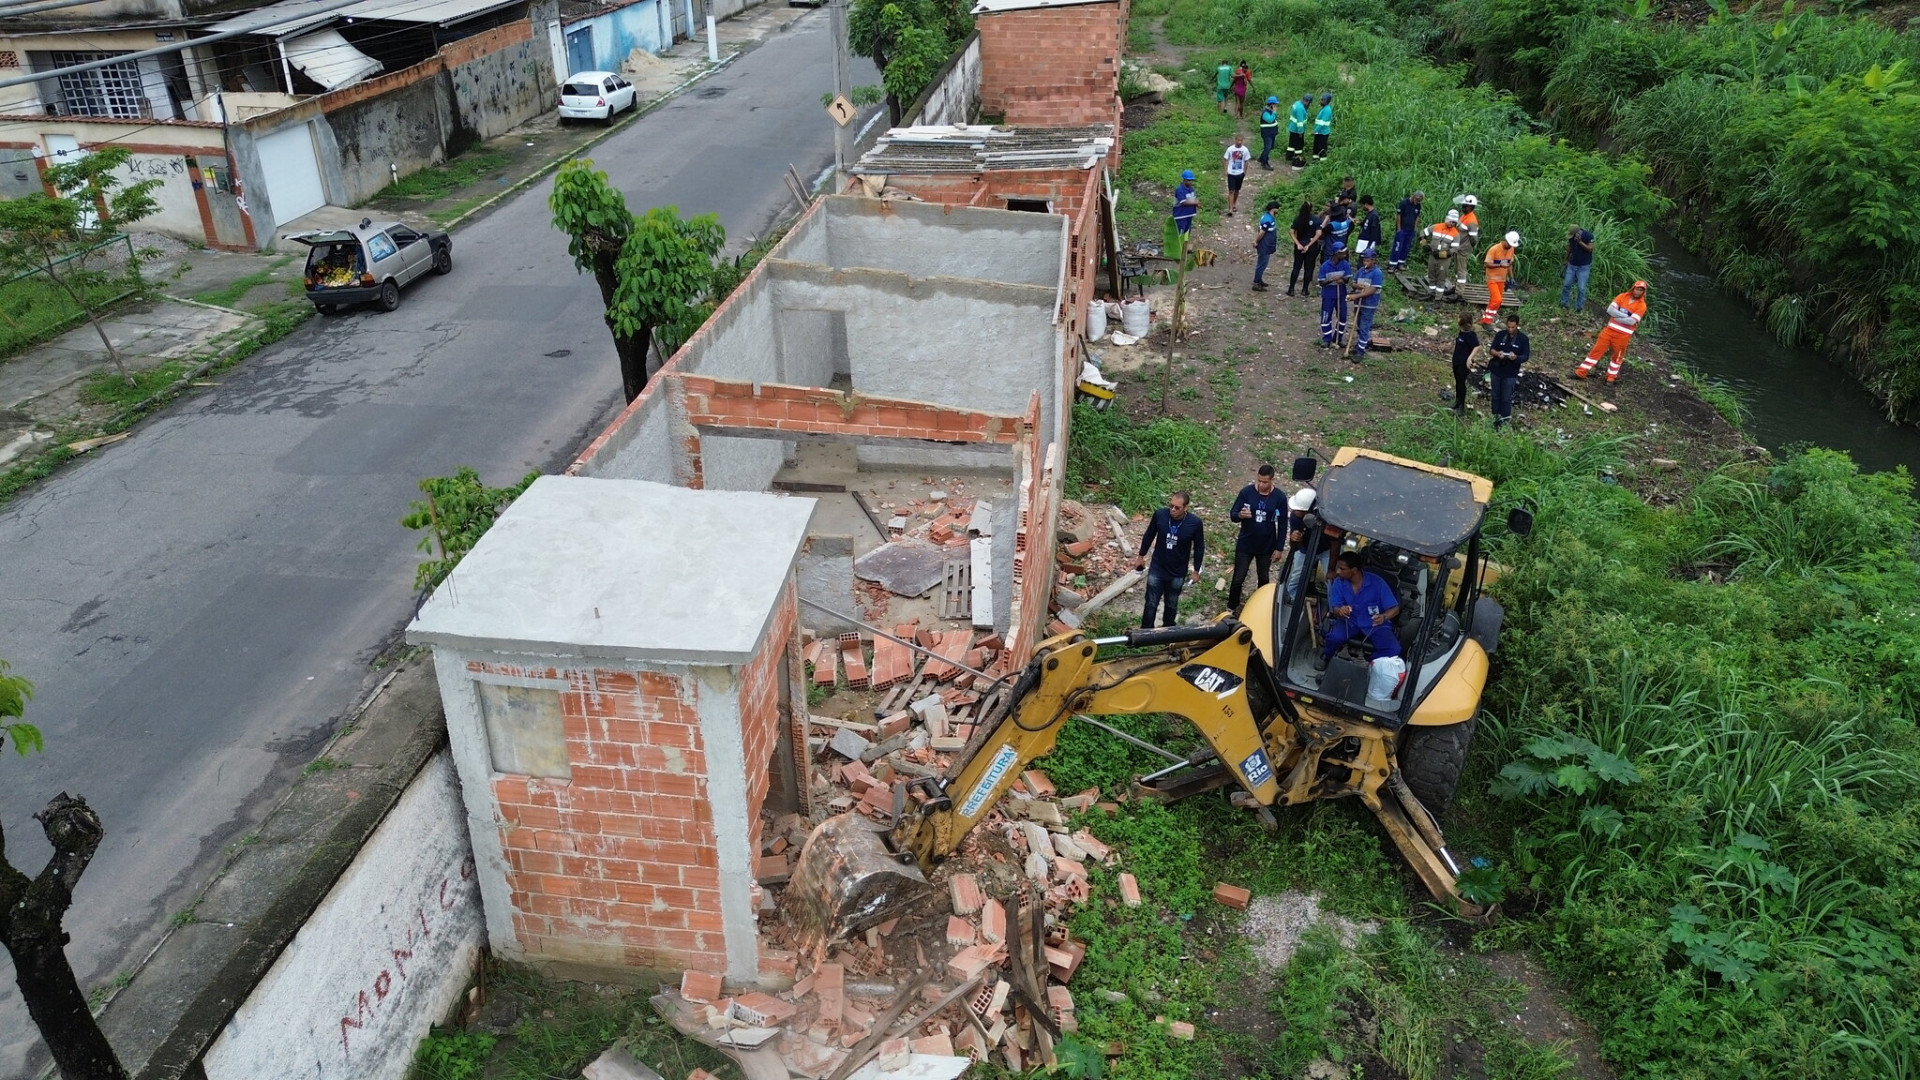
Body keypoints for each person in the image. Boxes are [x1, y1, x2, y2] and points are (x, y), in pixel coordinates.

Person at [1316, 550, 1401, 670]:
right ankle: (1327, 656)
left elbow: (1395, 608)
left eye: (1342, 569)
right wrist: (1340, 611)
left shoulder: (1377, 583)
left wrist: (1384, 617)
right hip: (1349, 621)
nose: (1338, 572)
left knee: (1394, 649)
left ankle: (1367, 663)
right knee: (1334, 637)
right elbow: (1335, 607)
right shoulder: (1339, 582)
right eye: (1337, 568)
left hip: (1375, 624)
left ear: (1354, 570)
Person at [1137, 491, 1205, 628]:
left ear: (1185, 508)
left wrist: (1196, 570)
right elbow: (1149, 535)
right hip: (1158, 567)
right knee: (1151, 602)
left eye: (1177, 507)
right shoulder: (1160, 515)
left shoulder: (1195, 523)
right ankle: (1145, 632)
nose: (1173, 510)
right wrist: (1141, 556)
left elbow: (1199, 547)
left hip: (1177, 571)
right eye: (1171, 506)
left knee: (1171, 603)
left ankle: (1168, 630)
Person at [1226, 465, 1285, 613]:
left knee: (1263, 577)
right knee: (1238, 577)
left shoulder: (1279, 497)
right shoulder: (1246, 493)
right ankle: (1232, 606)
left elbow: (1283, 524)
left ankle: (1262, 607)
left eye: (1265, 482)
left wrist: (1279, 548)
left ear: (1272, 480)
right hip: (1246, 543)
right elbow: (1233, 514)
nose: (1261, 485)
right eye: (1259, 481)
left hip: (1266, 545)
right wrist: (1240, 515)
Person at [1575, 280, 1648, 383]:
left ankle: (1611, 378)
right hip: (1609, 331)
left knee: (1617, 356)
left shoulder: (1642, 305)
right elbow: (1610, 310)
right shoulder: (1622, 296)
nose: (1638, 292)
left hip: (1623, 335)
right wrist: (1625, 316)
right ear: (1633, 288)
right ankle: (1581, 372)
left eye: (1641, 290)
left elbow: (1631, 321)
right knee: (1596, 351)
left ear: (1643, 292)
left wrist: (1617, 316)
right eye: (1637, 289)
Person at [1488, 312, 1529, 428]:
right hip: (1496, 370)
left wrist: (1516, 357)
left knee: (1506, 398)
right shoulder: (1500, 335)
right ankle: (1495, 418)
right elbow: (1491, 350)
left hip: (1510, 373)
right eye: (1508, 327)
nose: (1510, 330)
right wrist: (1497, 353)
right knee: (1495, 396)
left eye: (1513, 327)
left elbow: (1526, 356)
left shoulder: (1523, 339)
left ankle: (1505, 421)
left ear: (1517, 326)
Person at [1283, 485, 1318, 602]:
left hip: (1324, 549)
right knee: (1296, 576)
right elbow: (1295, 547)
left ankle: (1333, 606)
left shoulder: (1324, 518)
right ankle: (1291, 599)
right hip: (1305, 548)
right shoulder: (1295, 517)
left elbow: (1335, 541)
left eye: (1297, 509)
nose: (1293, 511)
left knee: (1330, 578)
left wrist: (1332, 568)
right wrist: (1294, 539)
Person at [1349, 250, 1385, 359]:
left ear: (1373, 261)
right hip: (1358, 304)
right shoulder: (1361, 271)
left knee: (1365, 325)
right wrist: (1357, 286)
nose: (1365, 262)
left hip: (1369, 304)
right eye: (1364, 260)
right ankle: (1361, 342)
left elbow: (1372, 290)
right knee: (1359, 324)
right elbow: (1353, 283)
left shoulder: (1377, 273)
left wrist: (1356, 296)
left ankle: (1361, 350)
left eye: (1368, 260)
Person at [1480, 230, 1519, 325]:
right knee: (1497, 299)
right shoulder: (1494, 249)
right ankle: (1487, 321)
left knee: (1495, 300)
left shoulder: (1511, 249)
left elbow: (1509, 264)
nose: (1510, 246)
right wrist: (1500, 265)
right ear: (1506, 240)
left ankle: (1487, 318)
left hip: (1502, 279)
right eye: (1509, 244)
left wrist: (1511, 277)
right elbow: (1487, 263)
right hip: (1492, 278)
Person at [1317, 242, 1350, 349]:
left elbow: (1347, 279)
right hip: (1328, 295)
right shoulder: (1325, 266)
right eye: (1342, 253)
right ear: (1336, 253)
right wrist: (1331, 279)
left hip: (1341, 294)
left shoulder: (1345, 264)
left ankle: (1338, 337)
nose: (1345, 255)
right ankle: (1326, 338)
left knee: (1342, 316)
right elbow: (1321, 283)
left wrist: (1342, 280)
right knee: (1326, 317)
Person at [1423, 210, 1463, 295]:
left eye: (1453, 222)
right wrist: (1424, 244)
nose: (1451, 224)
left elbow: (1454, 249)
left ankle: (1438, 298)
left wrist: (1441, 254)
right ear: (1447, 219)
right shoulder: (1436, 227)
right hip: (1432, 256)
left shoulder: (1455, 234)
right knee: (1431, 275)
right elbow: (1423, 233)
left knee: (1441, 278)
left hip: (1444, 260)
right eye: (1450, 221)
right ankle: (1431, 294)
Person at [1287, 199, 1320, 297]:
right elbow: (1318, 234)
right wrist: (1309, 245)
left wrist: (1297, 243)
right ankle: (1305, 290)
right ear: (1311, 209)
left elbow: (1291, 231)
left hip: (1300, 244)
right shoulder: (1316, 220)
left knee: (1296, 267)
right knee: (1308, 268)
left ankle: (1291, 289)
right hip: (1311, 246)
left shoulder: (1298, 219)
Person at [1449, 312, 1480, 416]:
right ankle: (1457, 401)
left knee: (1462, 383)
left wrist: (1469, 358)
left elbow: (1477, 347)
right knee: (1457, 382)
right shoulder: (1461, 332)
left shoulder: (1470, 335)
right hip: (1456, 360)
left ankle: (1461, 406)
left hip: (1463, 363)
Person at [1561, 225, 1594, 310]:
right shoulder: (1572, 237)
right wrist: (1566, 259)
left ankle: (1579, 308)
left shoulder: (1588, 236)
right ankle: (1564, 303)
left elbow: (1590, 248)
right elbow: (1570, 247)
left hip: (1583, 266)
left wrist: (1580, 242)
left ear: (1578, 233)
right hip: (1572, 264)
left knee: (1581, 288)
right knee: (1567, 284)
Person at [1390, 191, 1423, 271]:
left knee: (1406, 247)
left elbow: (1417, 217)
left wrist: (1415, 228)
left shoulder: (1418, 206)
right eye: (1417, 200)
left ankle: (1401, 263)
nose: (1417, 202)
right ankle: (1392, 264)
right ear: (1413, 197)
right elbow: (1399, 216)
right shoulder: (1404, 203)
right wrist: (1398, 228)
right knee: (1398, 246)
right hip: (1402, 228)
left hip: (1410, 229)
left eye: (1419, 201)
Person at [1252, 200, 1279, 291]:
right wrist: (1256, 241)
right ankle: (1256, 283)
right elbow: (1262, 232)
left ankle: (1259, 280)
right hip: (1265, 245)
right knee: (1262, 264)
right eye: (1277, 208)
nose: (1278, 210)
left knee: (1263, 264)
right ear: (1273, 209)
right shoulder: (1268, 220)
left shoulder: (1267, 216)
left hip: (1266, 245)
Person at [1223, 134, 1251, 217]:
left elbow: (1246, 161)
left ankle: (1234, 204)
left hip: (1240, 173)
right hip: (1231, 173)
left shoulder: (1245, 150)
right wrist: (1225, 170)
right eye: (1238, 140)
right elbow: (1224, 159)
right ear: (1235, 140)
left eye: (1241, 140)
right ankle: (1230, 208)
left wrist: (1244, 172)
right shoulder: (1230, 149)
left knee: (1237, 190)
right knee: (1231, 191)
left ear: (1243, 141)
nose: (1239, 142)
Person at [1455, 195, 1480, 284]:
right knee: (1457, 270)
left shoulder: (1472, 220)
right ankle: (1456, 288)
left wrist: (1468, 247)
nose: (1463, 208)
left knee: (1461, 271)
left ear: (1470, 207)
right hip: (1458, 247)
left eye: (1465, 206)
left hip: (1463, 249)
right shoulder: (1463, 216)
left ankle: (1459, 293)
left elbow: (1473, 239)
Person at [1171, 170, 1199, 236]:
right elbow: (1184, 202)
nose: (1191, 182)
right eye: (1189, 180)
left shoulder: (1191, 189)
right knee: (1180, 233)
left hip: (1189, 214)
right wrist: (1195, 202)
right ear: (1184, 180)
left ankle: (1185, 246)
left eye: (1191, 180)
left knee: (1187, 233)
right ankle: (1180, 246)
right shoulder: (1180, 190)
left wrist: (1196, 203)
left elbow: (1193, 199)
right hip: (1180, 215)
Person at [1287, 93, 1312, 166]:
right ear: (1307, 101)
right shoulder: (1300, 108)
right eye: (1309, 103)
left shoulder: (1297, 103)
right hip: (1297, 129)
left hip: (1292, 127)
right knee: (1299, 144)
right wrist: (1300, 132)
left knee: (1291, 144)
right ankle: (1297, 158)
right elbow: (1300, 122)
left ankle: (1289, 156)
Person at [1354, 195, 1381, 260]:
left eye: (1362, 205)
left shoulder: (1374, 216)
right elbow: (1367, 225)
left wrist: (1369, 245)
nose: (1362, 207)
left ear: (1366, 204)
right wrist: (1360, 223)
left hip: (1368, 242)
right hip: (1364, 241)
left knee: (1364, 261)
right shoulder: (1369, 214)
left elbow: (1374, 231)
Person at [1258, 96, 1281, 170]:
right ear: (1271, 104)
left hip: (1272, 133)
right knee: (1267, 147)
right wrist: (1274, 113)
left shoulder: (1271, 112)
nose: (1276, 106)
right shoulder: (1265, 113)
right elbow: (1270, 120)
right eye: (1275, 104)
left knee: (1270, 147)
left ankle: (1262, 158)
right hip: (1267, 133)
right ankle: (1264, 163)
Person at [1312, 93, 1334, 160]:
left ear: (1327, 101)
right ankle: (1315, 160)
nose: (1321, 101)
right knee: (1316, 147)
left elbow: (1322, 123)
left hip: (1323, 132)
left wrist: (1315, 130)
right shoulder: (1324, 108)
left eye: (1323, 100)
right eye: (1321, 99)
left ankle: (1322, 161)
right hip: (1319, 132)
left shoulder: (1327, 110)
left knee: (1322, 148)